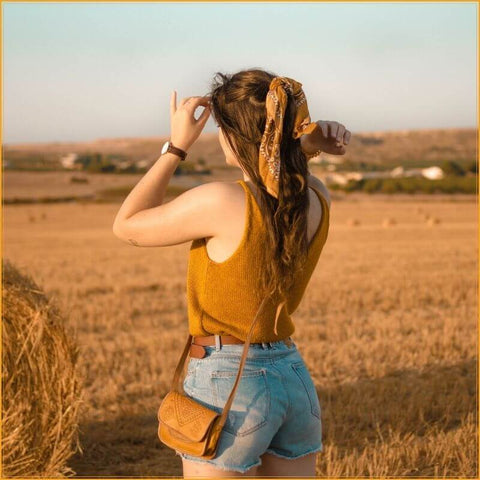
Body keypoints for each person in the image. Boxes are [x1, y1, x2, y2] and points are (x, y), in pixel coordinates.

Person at [112, 68, 350, 477]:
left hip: (230, 381)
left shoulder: (220, 201)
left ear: (231, 134)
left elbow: (127, 225)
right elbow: (284, 175)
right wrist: (305, 145)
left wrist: (175, 147)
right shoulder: (317, 197)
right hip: (293, 377)